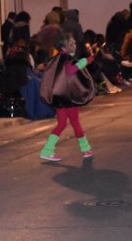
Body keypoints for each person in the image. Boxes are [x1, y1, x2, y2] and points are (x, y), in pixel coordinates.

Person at [39, 34, 95, 162]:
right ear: (64, 47)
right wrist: (86, 61)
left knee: (62, 124)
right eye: (71, 44)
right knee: (74, 122)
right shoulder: (66, 59)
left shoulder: (57, 59)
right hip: (68, 98)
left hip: (60, 98)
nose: (74, 46)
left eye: (74, 43)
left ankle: (47, 150)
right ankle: (85, 149)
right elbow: (70, 70)